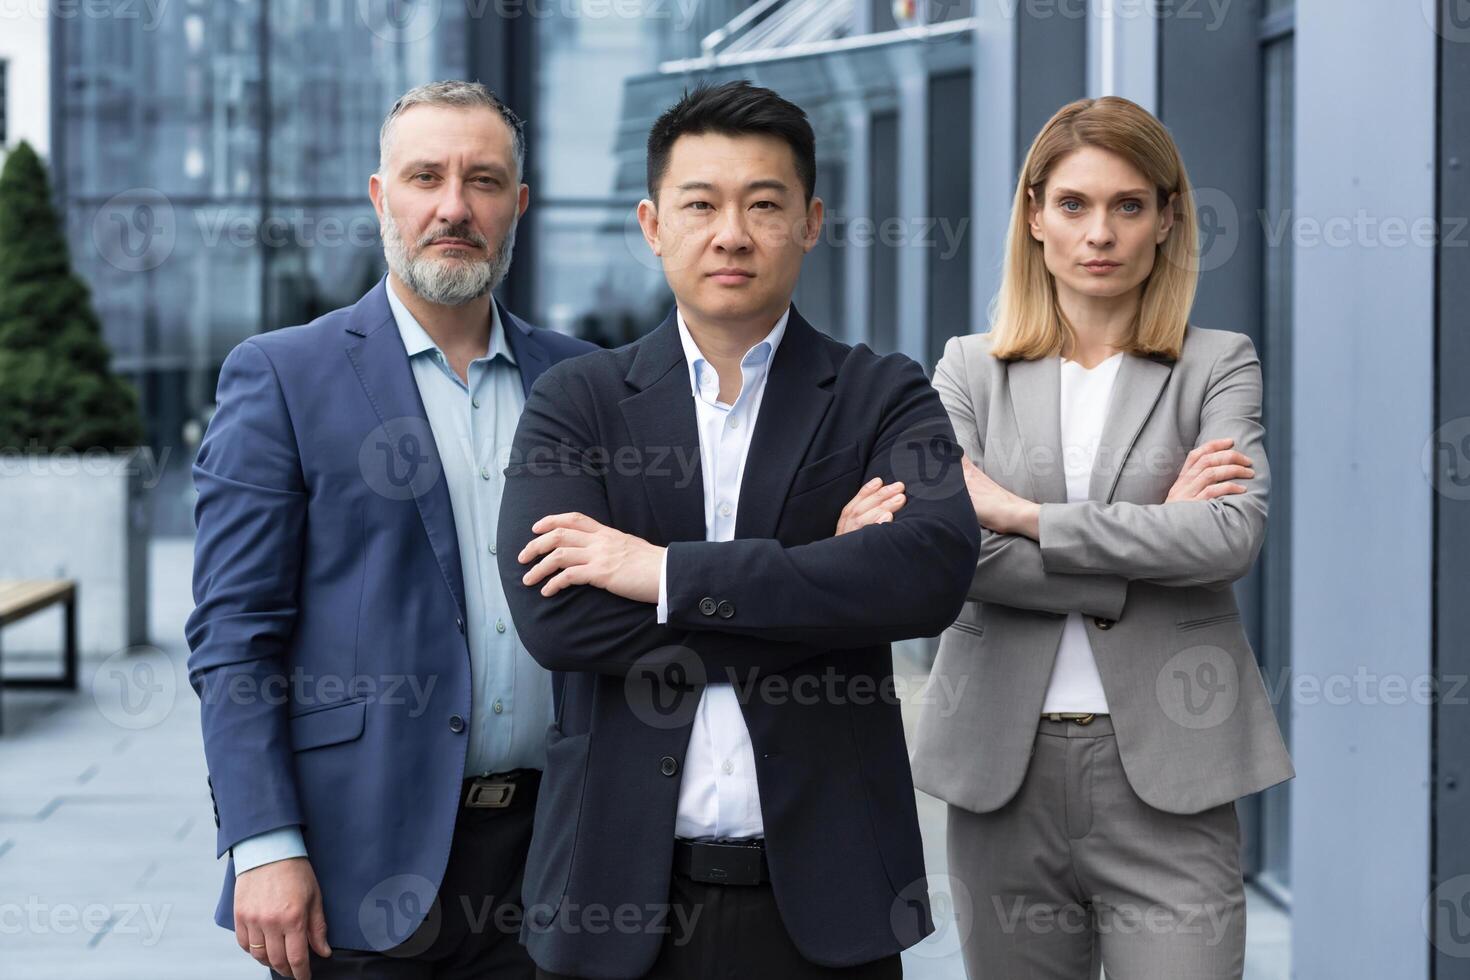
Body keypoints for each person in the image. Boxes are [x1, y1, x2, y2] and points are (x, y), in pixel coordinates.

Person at [495, 80, 982, 979]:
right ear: (652, 224)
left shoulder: (884, 392)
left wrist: (662, 574)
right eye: (701, 204)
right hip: (616, 899)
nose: (732, 233)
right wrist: (823, 582)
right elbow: (557, 621)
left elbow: (929, 576)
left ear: (811, 221)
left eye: (765, 204)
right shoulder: (580, 401)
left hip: (829, 903)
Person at [185, 80, 597, 979]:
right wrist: (262, 842)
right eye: (425, 177)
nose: (454, 206)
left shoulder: (584, 381)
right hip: (358, 862)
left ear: (517, 205)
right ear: (381, 197)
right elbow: (232, 639)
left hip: (561, 859)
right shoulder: (282, 378)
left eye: (484, 181)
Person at [909, 95, 1294, 979]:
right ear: (1035, 215)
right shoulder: (969, 369)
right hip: (1002, 773)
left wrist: (1022, 514)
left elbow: (1230, 537)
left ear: (1167, 219)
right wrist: (1152, 538)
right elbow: (945, 550)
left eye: (1129, 205)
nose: (1101, 233)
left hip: (1173, 772)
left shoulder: (1217, 363)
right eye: (1075, 205)